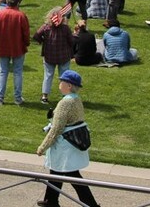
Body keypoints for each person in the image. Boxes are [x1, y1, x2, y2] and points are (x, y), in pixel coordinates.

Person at [36, 70, 101, 207]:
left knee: (72, 175)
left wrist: (43, 147)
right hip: (72, 143)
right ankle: (50, 201)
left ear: (69, 85)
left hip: (65, 146)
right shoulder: (76, 99)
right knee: (56, 172)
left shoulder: (65, 103)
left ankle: (91, 205)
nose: (59, 84)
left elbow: (56, 129)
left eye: (62, 81)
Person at [0, 0, 30, 105]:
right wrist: (26, 43)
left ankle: (0, 98)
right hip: (18, 47)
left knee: (3, 72)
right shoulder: (21, 16)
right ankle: (17, 98)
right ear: (18, 3)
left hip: (2, 47)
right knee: (17, 72)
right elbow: (26, 33)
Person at [33, 7, 76, 103]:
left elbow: (36, 36)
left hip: (49, 56)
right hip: (64, 56)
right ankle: (65, 95)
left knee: (48, 76)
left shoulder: (46, 27)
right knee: (64, 76)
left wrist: (43, 41)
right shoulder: (65, 28)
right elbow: (72, 41)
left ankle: (44, 96)